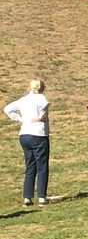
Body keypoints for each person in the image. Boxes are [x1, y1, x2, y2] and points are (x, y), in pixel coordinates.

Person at [4, 79, 50, 207]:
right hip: (38, 134)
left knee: (30, 165)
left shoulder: (23, 99)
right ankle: (41, 197)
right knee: (42, 165)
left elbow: (7, 109)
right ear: (41, 88)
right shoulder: (41, 98)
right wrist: (42, 116)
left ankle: (27, 197)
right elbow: (46, 104)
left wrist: (20, 119)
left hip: (24, 134)